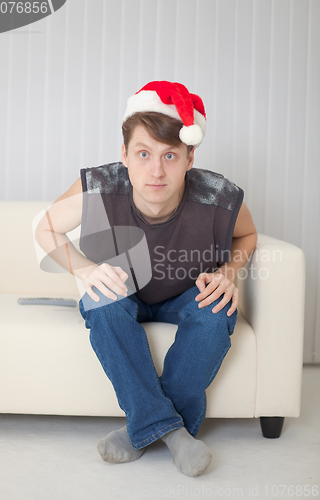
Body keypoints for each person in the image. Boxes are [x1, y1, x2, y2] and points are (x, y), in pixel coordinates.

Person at [35, 81, 257, 477]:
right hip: (122, 289)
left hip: (187, 291)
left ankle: (141, 429)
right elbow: (45, 228)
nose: (156, 170)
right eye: (143, 154)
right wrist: (85, 269)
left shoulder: (218, 195)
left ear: (190, 158)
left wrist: (228, 273)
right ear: (124, 155)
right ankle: (174, 435)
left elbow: (247, 235)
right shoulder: (99, 186)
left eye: (170, 155)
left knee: (215, 314)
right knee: (100, 302)